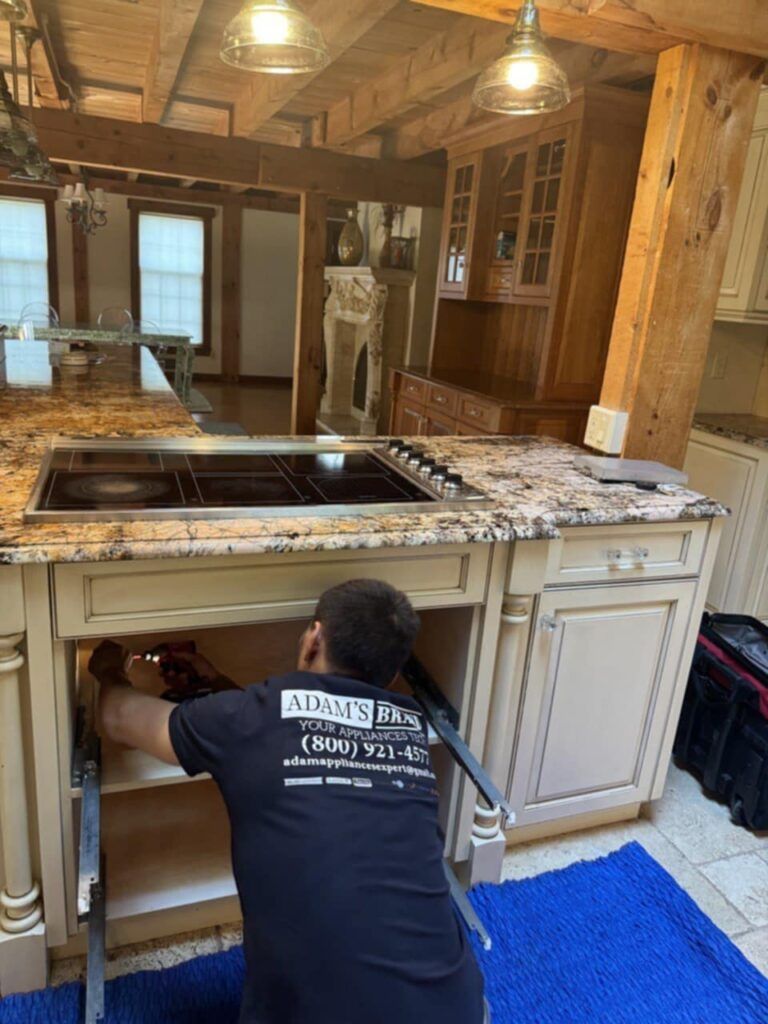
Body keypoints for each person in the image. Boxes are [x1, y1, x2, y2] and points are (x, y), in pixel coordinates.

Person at [89, 578, 488, 1024]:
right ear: (392, 672)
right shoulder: (407, 728)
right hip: (457, 1008)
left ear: (314, 638)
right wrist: (216, 682)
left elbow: (116, 716)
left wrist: (108, 669)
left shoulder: (246, 720)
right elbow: (289, 732)